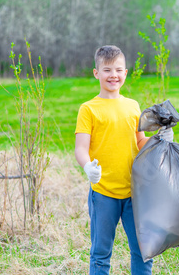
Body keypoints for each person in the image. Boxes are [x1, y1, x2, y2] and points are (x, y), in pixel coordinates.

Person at [74, 45, 172, 275]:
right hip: (104, 191)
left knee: (142, 249)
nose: (113, 75)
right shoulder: (88, 109)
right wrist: (87, 166)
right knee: (101, 252)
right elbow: (81, 148)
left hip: (134, 192)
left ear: (125, 73)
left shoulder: (133, 106)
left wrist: (160, 138)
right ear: (96, 73)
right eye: (107, 70)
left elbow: (139, 143)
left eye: (118, 70)